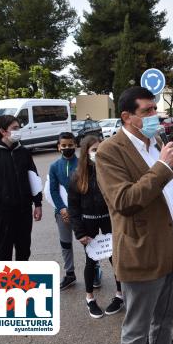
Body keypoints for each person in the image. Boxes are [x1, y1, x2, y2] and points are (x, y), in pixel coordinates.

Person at [95, 86, 173, 344]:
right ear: (127, 116)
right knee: (137, 330)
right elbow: (125, 200)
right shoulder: (110, 151)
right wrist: (163, 168)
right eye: (147, 111)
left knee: (165, 322)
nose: (155, 114)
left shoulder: (156, 145)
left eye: (155, 108)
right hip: (142, 252)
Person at [69, 135, 124, 319]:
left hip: (108, 221)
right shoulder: (77, 177)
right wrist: (80, 232)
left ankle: (119, 294)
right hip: (88, 223)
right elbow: (74, 209)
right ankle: (90, 298)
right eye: (94, 150)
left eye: (100, 150)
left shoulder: (110, 172)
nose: (97, 153)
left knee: (115, 259)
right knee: (91, 261)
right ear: (86, 153)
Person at [0, 115, 42, 260]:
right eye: (15, 128)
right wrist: (1, 198)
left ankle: (21, 281)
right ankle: (5, 282)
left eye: (19, 127)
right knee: (4, 251)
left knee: (24, 250)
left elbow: (34, 178)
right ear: (3, 131)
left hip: (24, 210)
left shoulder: (23, 152)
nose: (19, 131)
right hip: (4, 212)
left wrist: (38, 203)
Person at [49, 132, 83, 290]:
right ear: (58, 147)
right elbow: (53, 190)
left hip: (82, 212)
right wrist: (62, 209)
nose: (67, 148)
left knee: (89, 242)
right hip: (62, 213)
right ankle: (70, 274)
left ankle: (95, 270)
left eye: (70, 145)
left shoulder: (84, 163)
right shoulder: (54, 166)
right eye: (64, 146)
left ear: (75, 145)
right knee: (65, 243)